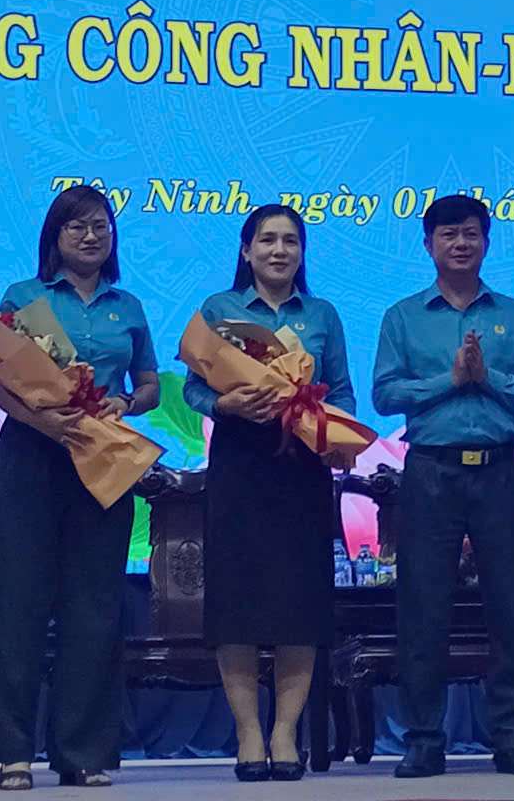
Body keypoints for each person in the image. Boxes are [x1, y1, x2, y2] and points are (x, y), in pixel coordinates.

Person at [0, 185, 160, 790]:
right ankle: (12, 751)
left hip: (102, 457)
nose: (91, 237)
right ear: (55, 236)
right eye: (77, 227)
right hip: (32, 453)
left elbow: (150, 383)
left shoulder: (127, 306)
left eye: (101, 226)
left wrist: (129, 401)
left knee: (95, 604)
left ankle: (82, 752)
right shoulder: (24, 298)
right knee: (16, 602)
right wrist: (41, 420)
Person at [372, 195, 514, 778]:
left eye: (471, 233)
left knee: (511, 608)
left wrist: (488, 377)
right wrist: (448, 382)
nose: (460, 243)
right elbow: (384, 395)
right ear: (428, 245)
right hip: (429, 471)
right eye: (448, 234)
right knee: (423, 608)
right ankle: (424, 739)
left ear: (486, 241)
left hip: (500, 471)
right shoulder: (403, 317)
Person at [182, 204, 357, 782]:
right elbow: (192, 389)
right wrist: (223, 404)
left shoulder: (323, 314)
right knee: (237, 602)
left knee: (296, 604)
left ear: (302, 253)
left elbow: (346, 396)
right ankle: (248, 733)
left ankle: (285, 733)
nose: (279, 251)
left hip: (301, 470)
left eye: (290, 241)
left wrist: (332, 430)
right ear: (246, 250)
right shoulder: (220, 310)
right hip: (240, 464)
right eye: (267, 241)